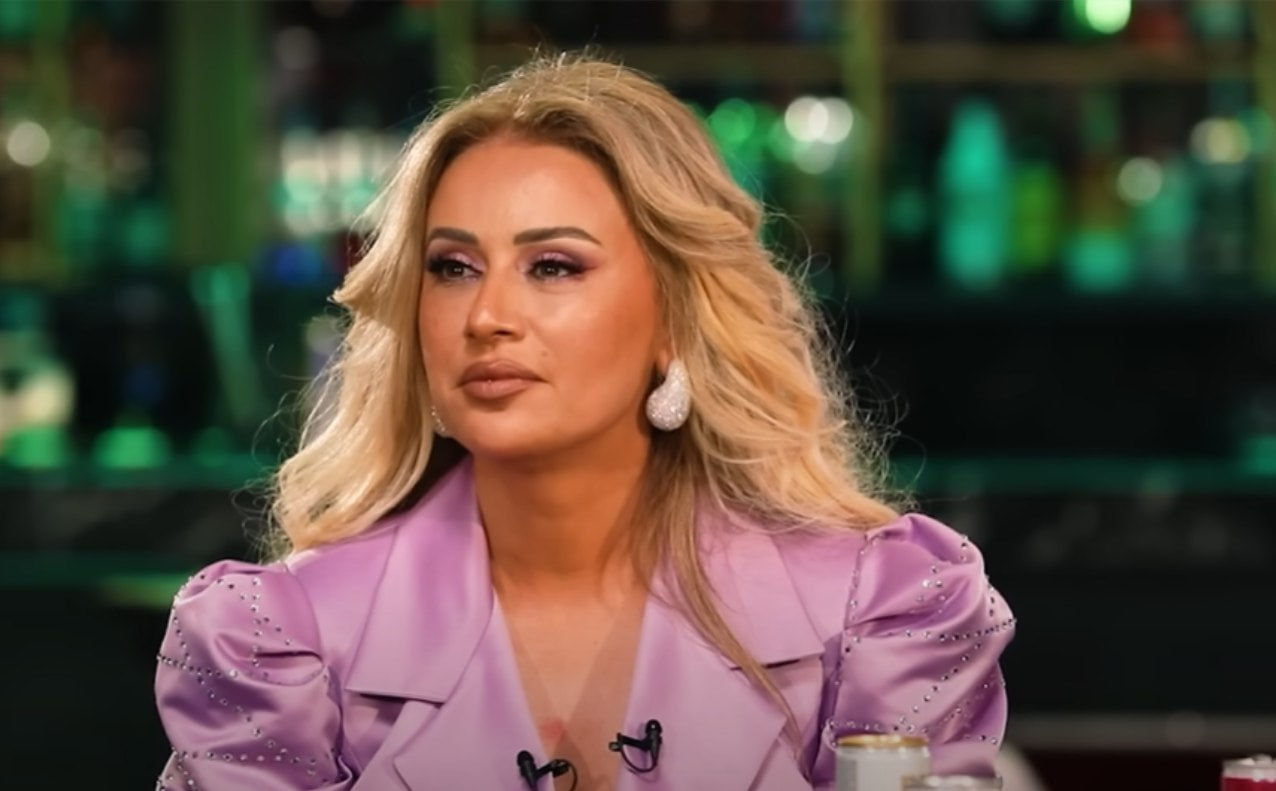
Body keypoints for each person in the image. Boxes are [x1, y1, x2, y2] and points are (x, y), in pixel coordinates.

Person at [154, 54, 1015, 791]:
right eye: (453, 267)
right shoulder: (278, 646)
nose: (487, 316)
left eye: (553, 266)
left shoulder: (881, 618)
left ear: (675, 317)